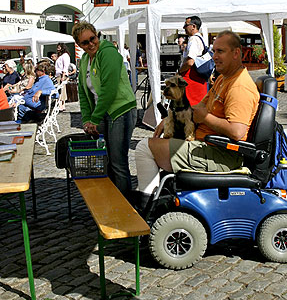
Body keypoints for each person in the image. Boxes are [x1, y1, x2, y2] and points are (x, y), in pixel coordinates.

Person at [134, 30, 260, 211]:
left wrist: (206, 118)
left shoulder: (239, 87)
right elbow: (198, 107)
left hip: (220, 155)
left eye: (220, 51)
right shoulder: (224, 79)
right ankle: (155, 196)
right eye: (214, 51)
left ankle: (146, 207)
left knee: (144, 148)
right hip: (207, 146)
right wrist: (171, 119)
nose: (214, 57)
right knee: (158, 142)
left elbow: (238, 132)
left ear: (236, 53)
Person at [72, 21, 137, 198]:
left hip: (120, 110)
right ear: (79, 45)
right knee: (105, 160)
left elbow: (109, 90)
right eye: (85, 43)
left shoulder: (108, 53)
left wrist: (94, 119)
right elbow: (83, 92)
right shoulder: (85, 60)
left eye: (92, 38)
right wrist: (87, 119)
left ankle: (126, 205)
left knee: (118, 162)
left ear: (96, 34)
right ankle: (112, 199)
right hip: (103, 113)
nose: (91, 44)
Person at [178, 16, 209, 105]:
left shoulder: (193, 39)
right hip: (198, 79)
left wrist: (179, 71)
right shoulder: (200, 38)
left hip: (192, 78)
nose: (184, 27)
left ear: (193, 26)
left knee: (191, 107)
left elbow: (190, 62)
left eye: (186, 25)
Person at [55, 43, 71, 111]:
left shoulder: (65, 55)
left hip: (62, 74)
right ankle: (60, 104)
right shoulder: (60, 56)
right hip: (58, 74)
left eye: (59, 47)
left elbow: (65, 66)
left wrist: (63, 75)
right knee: (60, 90)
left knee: (62, 89)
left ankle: (62, 104)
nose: (57, 49)